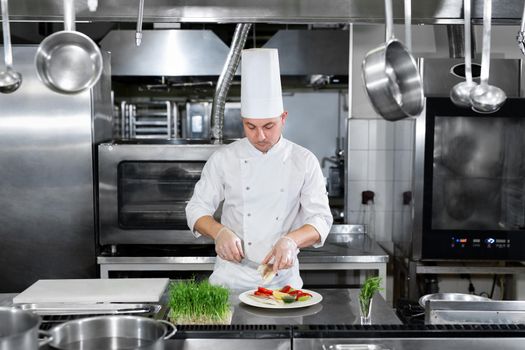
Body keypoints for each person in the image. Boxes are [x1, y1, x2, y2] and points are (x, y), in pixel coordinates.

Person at [185, 48, 332, 290]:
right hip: (230, 279)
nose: (260, 136)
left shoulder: (303, 160)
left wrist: (291, 241)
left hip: (282, 280)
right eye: (250, 127)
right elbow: (196, 208)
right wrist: (219, 232)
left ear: (283, 118)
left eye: (269, 126)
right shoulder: (224, 159)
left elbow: (321, 219)